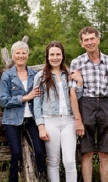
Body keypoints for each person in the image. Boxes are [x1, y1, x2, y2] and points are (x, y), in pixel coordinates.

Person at [69, 27, 108, 182]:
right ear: (81, 43)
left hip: (107, 105)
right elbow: (72, 92)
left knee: (104, 153)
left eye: (92, 38)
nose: (90, 42)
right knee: (87, 152)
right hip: (86, 105)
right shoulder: (77, 63)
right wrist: (78, 119)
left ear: (98, 40)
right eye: (86, 40)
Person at [0, 41, 47, 182]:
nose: (21, 55)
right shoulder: (7, 76)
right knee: (16, 154)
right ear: (13, 55)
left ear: (28, 55)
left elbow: (42, 96)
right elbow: (4, 101)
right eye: (17, 53)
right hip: (12, 120)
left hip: (32, 119)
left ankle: (43, 178)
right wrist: (26, 97)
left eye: (23, 53)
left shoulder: (35, 75)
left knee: (39, 151)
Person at [33, 41, 77, 182]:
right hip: (49, 121)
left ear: (63, 56)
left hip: (69, 120)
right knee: (53, 161)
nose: (55, 57)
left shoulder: (69, 74)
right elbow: (36, 103)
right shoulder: (40, 76)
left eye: (58, 54)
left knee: (69, 161)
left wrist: (79, 83)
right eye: (52, 54)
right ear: (47, 56)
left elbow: (77, 97)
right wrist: (41, 127)